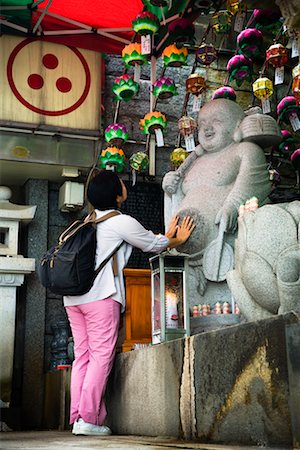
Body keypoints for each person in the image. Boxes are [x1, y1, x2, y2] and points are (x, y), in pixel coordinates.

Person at [63, 169, 195, 437]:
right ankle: (88, 419)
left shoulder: (87, 221)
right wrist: (176, 240)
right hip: (100, 298)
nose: (125, 186)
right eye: (121, 184)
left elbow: (153, 240)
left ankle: (78, 415)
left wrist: (164, 237)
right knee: (101, 356)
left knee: (83, 356)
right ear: (116, 194)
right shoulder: (119, 221)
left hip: (74, 299)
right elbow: (152, 244)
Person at [162, 98, 272, 296]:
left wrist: (232, 206)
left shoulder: (244, 150)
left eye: (217, 122)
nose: (207, 129)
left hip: (224, 242)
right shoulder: (194, 162)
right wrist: (171, 189)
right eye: (202, 124)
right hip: (185, 250)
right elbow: (179, 196)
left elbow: (251, 182)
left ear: (237, 125)